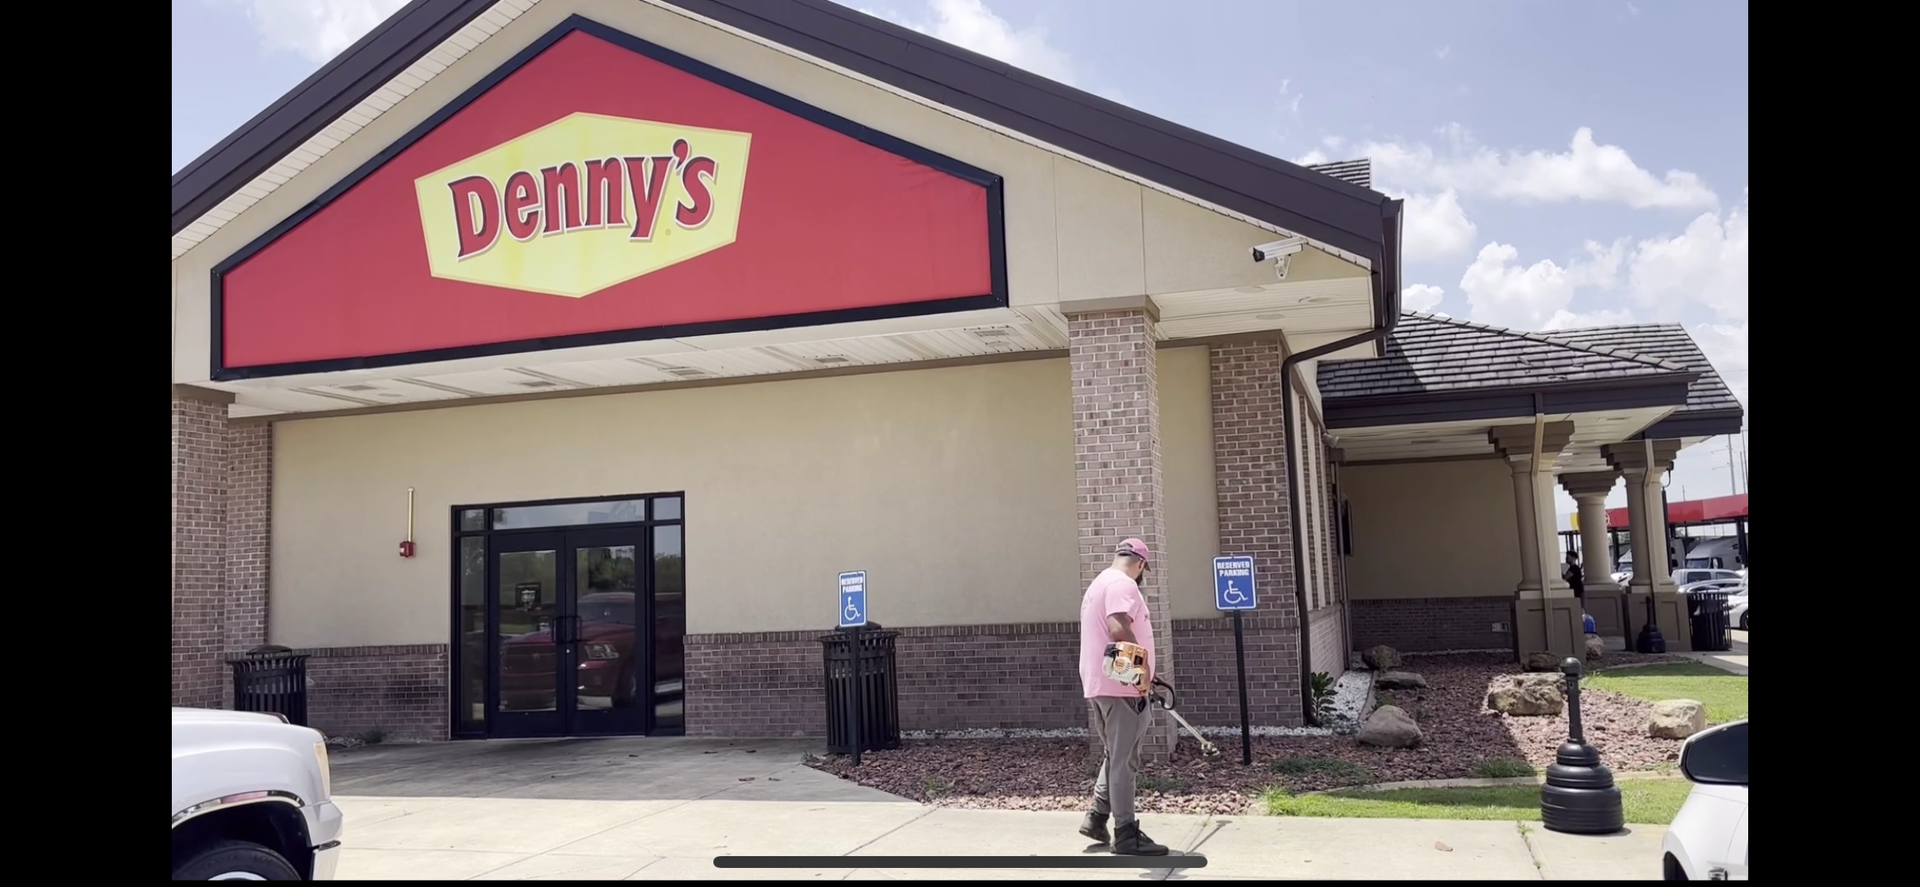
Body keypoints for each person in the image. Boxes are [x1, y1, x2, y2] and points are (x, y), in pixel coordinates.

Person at [1076, 538, 1169, 857]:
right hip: (1122, 686)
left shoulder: (1099, 583)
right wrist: (1142, 671)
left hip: (1102, 683)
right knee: (1125, 759)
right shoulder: (1123, 584)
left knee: (1114, 753)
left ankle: (1098, 816)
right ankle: (1126, 833)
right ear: (1141, 564)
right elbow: (1118, 628)